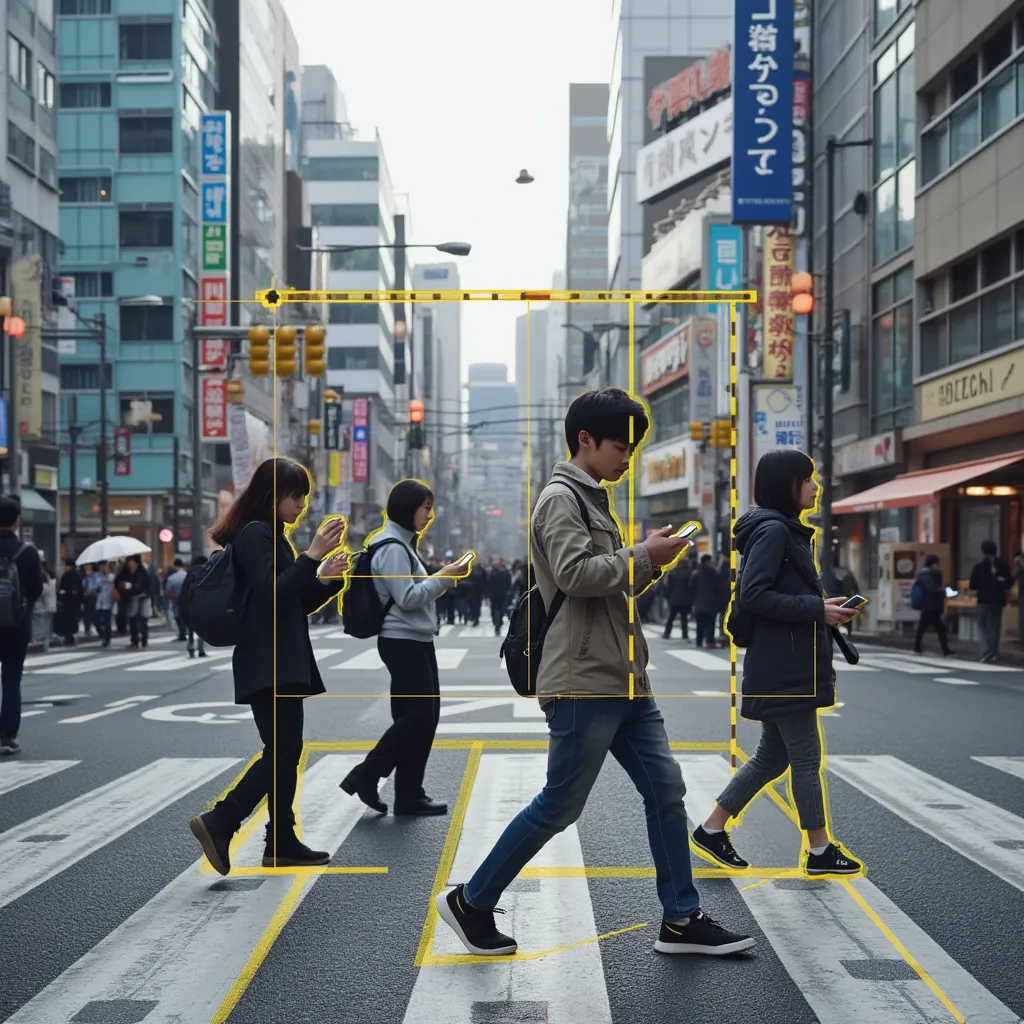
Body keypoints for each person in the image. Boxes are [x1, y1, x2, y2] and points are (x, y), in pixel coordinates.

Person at [435, 388, 755, 958]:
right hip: (583, 678)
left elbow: (609, 587)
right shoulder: (561, 498)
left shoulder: (595, 498)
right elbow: (577, 576)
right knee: (560, 804)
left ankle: (681, 919)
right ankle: (471, 902)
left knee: (667, 791)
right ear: (585, 440)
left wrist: (652, 564)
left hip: (625, 674)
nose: (627, 458)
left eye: (632, 449)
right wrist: (643, 556)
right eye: (620, 446)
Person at [691, 449, 862, 878]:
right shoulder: (773, 531)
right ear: (787, 486)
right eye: (808, 479)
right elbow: (754, 595)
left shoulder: (779, 529)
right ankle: (820, 851)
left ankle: (712, 829)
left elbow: (768, 592)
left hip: (782, 660)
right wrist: (815, 609)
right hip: (786, 664)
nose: (815, 485)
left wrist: (818, 606)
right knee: (805, 757)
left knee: (773, 756)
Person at [188, 458, 350, 874]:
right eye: (295, 496)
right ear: (271, 495)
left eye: (304, 497)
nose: (301, 505)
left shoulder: (272, 537)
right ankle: (223, 819)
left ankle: (280, 840)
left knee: (285, 750)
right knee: (283, 751)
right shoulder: (256, 534)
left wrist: (324, 579)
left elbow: (293, 602)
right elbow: (272, 595)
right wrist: (312, 555)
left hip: (279, 656)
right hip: (269, 659)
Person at [339, 480, 463, 816]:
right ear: (408, 507)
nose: (430, 515)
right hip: (402, 639)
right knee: (420, 716)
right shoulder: (393, 547)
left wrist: (439, 576)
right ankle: (366, 775)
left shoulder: (401, 544)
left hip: (415, 639)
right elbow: (406, 599)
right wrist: (444, 576)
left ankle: (409, 794)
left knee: (421, 717)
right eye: (425, 507)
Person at [0, 495, 43, 756]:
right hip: (16, 625)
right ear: (17, 521)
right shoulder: (27, 552)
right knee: (12, 680)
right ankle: (7, 736)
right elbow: (36, 589)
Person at [969, 541, 1013, 663]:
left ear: (983, 552)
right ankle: (993, 653)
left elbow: (973, 584)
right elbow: (1010, 581)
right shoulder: (1003, 564)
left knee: (980, 625)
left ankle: (985, 650)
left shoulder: (979, 566)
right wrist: (1002, 582)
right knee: (994, 626)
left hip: (983, 599)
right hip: (998, 600)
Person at [913, 554, 952, 657]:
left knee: (925, 627)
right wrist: (945, 590)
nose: (938, 565)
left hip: (929, 605)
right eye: (937, 563)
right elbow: (932, 588)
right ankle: (945, 650)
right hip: (931, 605)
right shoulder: (928, 575)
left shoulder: (924, 574)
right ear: (933, 563)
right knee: (939, 628)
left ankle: (917, 648)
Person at [691, 554, 719, 648]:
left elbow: (692, 587)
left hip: (698, 603)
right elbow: (718, 588)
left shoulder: (696, 573)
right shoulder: (713, 572)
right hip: (711, 603)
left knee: (700, 624)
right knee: (710, 623)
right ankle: (709, 641)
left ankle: (699, 642)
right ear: (708, 562)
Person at [662, 559, 693, 640]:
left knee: (671, 618)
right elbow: (691, 587)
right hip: (685, 599)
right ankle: (685, 634)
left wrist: (668, 597)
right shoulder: (689, 573)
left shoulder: (672, 573)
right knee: (684, 618)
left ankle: (666, 633)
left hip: (674, 599)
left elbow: (668, 587)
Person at [54, 558, 83, 646]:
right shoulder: (76, 575)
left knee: (68, 620)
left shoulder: (69, 575)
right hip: (73, 602)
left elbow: (70, 588)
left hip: (68, 602)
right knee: (71, 621)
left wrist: (64, 592)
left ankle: (69, 637)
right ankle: (70, 636)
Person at [186, 554, 208, 658]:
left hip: (188, 605)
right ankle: (201, 649)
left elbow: (183, 594)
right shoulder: (206, 573)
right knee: (201, 628)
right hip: (201, 605)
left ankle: (190, 646)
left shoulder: (189, 575)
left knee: (190, 629)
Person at [164, 558, 188, 641]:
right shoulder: (187, 575)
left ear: (174, 566)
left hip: (176, 599)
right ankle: (184, 632)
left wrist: (171, 598)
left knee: (177, 615)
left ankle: (182, 633)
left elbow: (167, 591)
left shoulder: (171, 578)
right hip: (186, 599)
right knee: (185, 615)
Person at [486, 556, 512, 635]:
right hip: (500, 593)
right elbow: (509, 583)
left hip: (496, 594)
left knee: (496, 609)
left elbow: (488, 583)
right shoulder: (505, 572)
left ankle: (497, 622)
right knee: (499, 609)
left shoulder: (491, 572)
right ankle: (498, 622)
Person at [94, 562, 115, 647]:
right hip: (99, 602)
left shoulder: (111, 576)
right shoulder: (96, 577)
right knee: (97, 620)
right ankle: (101, 633)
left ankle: (107, 638)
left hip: (108, 601)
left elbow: (114, 587)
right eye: (102, 566)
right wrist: (100, 584)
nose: (103, 568)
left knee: (107, 621)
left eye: (105, 566)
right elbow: (94, 588)